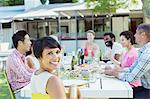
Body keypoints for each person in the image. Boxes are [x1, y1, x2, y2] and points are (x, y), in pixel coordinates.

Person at [104, 23, 150, 99]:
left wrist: (115, 73)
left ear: (143, 35)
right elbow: (131, 69)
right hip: (143, 88)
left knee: (114, 95)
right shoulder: (143, 50)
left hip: (146, 91)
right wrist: (116, 71)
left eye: (136, 33)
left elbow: (131, 77)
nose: (134, 35)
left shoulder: (147, 53)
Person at [6, 30, 34, 99]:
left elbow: (29, 71)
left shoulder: (22, 57)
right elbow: (26, 76)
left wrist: (39, 72)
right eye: (28, 40)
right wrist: (41, 74)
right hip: (20, 92)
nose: (30, 43)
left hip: (26, 88)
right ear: (20, 43)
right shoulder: (13, 58)